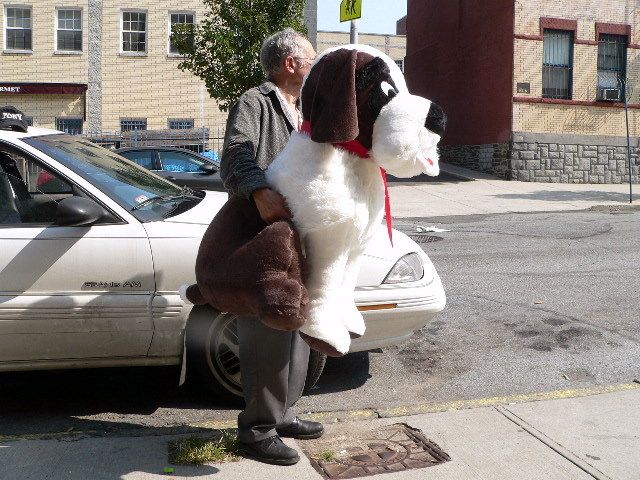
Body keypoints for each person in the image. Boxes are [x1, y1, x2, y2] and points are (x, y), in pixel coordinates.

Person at [220, 28, 323, 466]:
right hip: (264, 239)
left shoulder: (307, 109)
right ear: (290, 63)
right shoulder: (255, 102)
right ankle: (256, 429)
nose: (315, 65)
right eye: (312, 58)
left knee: (298, 331)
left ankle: (283, 414)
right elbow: (235, 155)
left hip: (301, 238)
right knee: (267, 335)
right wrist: (259, 190)